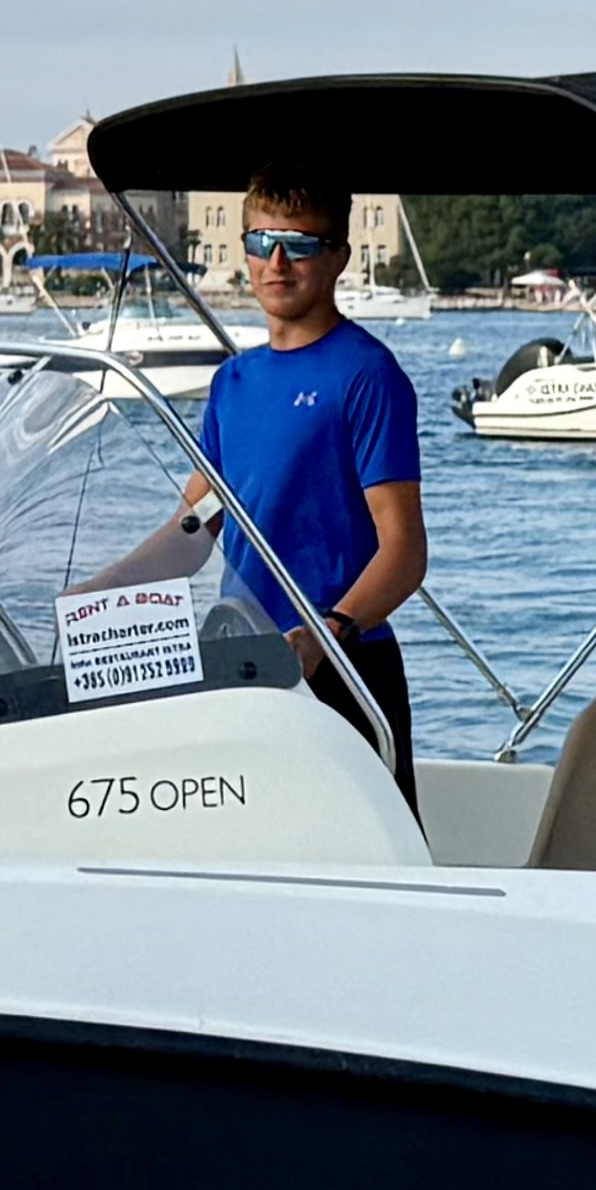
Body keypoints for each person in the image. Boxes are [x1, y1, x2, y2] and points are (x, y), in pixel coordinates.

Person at [185, 176, 426, 799]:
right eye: (262, 240)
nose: (276, 262)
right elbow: (193, 526)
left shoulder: (369, 377)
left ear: (339, 256)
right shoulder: (232, 383)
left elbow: (403, 552)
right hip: (246, 661)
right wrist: (93, 601)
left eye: (299, 244)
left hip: (343, 662)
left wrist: (328, 634)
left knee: (379, 872)